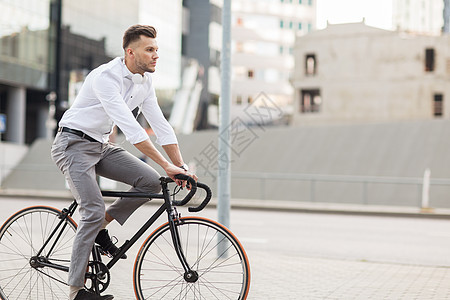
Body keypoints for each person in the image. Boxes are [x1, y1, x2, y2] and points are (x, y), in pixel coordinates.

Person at [51, 24, 196, 300]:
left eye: (157, 50)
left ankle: (99, 228)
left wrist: (181, 167)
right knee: (91, 210)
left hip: (101, 146)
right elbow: (131, 129)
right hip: (72, 145)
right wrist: (166, 164)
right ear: (130, 52)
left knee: (152, 182)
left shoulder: (145, 82)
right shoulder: (106, 77)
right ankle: (75, 291)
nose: (156, 55)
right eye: (149, 49)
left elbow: (161, 126)